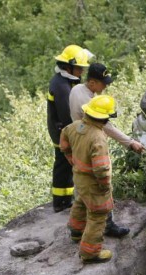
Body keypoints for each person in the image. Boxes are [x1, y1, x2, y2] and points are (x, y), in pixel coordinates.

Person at [69, 62, 146, 237]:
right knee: (100, 190)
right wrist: (130, 142)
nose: (106, 86)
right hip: (89, 147)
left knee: (80, 188)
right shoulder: (95, 131)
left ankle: (75, 230)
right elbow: (108, 127)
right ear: (93, 83)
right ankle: (106, 226)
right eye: (104, 83)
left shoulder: (76, 89)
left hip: (78, 144)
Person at [60, 95, 118, 263]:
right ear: (105, 117)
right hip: (93, 183)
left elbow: (63, 143)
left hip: (79, 178)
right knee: (98, 214)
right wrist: (105, 185)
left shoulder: (74, 127)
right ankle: (90, 253)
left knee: (80, 202)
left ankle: (76, 232)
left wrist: (72, 160)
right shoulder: (98, 137)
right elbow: (101, 168)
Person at [47, 44, 90, 212]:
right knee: (63, 165)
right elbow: (67, 115)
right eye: (79, 68)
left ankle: (66, 199)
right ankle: (60, 202)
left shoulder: (67, 81)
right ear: (68, 66)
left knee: (67, 166)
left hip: (62, 129)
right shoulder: (61, 86)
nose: (82, 71)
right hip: (61, 131)